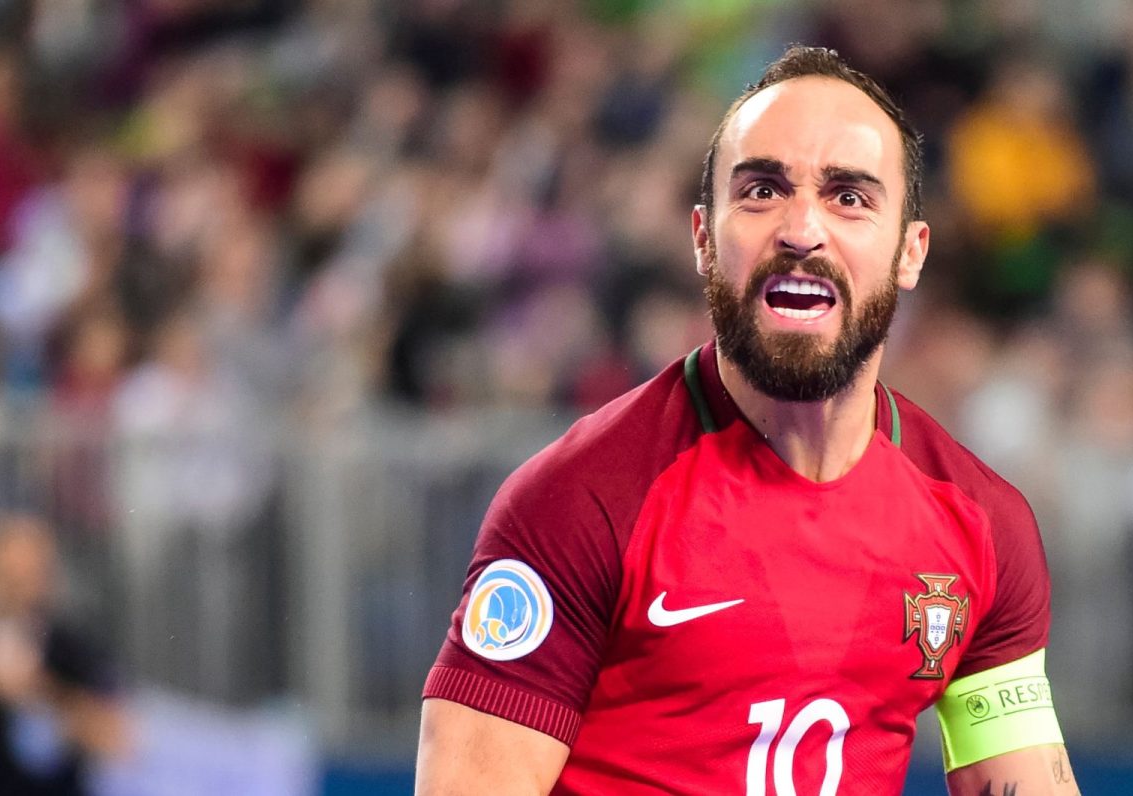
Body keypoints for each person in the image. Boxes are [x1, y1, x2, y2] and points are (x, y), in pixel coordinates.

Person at [418, 46, 1078, 795]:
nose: (802, 230)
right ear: (703, 238)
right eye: (763, 191)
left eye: (850, 198)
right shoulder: (581, 502)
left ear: (910, 251)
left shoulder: (985, 528)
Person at [0, 513, 127, 795]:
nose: (18, 590)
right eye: (7, 576)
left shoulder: (70, 649)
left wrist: (37, 692)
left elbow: (118, 739)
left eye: (27, 576)